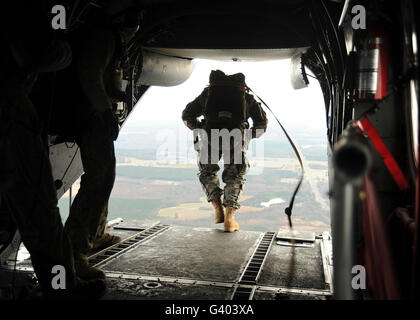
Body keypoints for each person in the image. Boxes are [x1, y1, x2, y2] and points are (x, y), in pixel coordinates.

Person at [0, 1, 105, 299]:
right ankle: (62, 289)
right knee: (39, 213)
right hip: (10, 115)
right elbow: (34, 53)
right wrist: (64, 50)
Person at [64, 13, 139, 280]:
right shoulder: (104, 38)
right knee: (99, 180)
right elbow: (90, 75)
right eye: (133, 27)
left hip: (93, 116)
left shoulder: (108, 39)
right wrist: (105, 112)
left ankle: (94, 236)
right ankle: (74, 253)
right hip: (91, 118)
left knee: (104, 177)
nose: (133, 34)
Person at [182, 70, 268, 232]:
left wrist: (200, 128)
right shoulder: (247, 98)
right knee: (234, 176)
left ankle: (217, 210)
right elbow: (261, 124)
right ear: (242, 86)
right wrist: (247, 136)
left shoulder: (206, 95)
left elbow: (187, 115)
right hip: (235, 138)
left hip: (209, 137)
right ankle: (230, 219)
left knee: (207, 173)